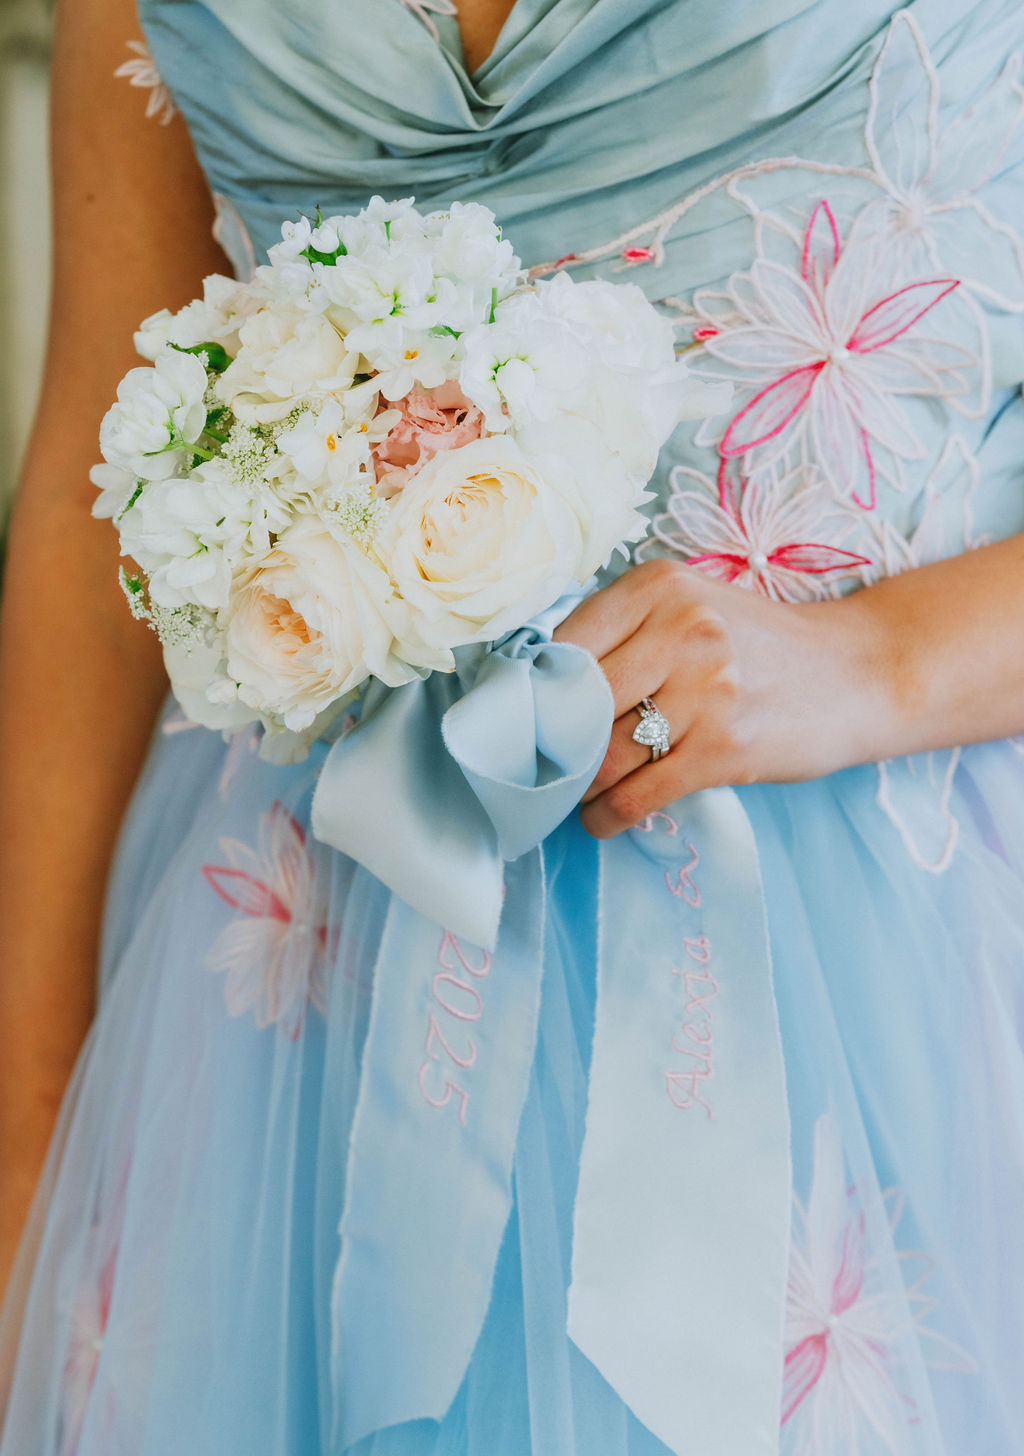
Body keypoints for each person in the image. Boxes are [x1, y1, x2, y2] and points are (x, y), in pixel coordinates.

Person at [2, 0, 1024, 1451]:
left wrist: (879, 660)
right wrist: (28, 1118)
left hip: (885, 961)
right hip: (288, 986)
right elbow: (91, 488)